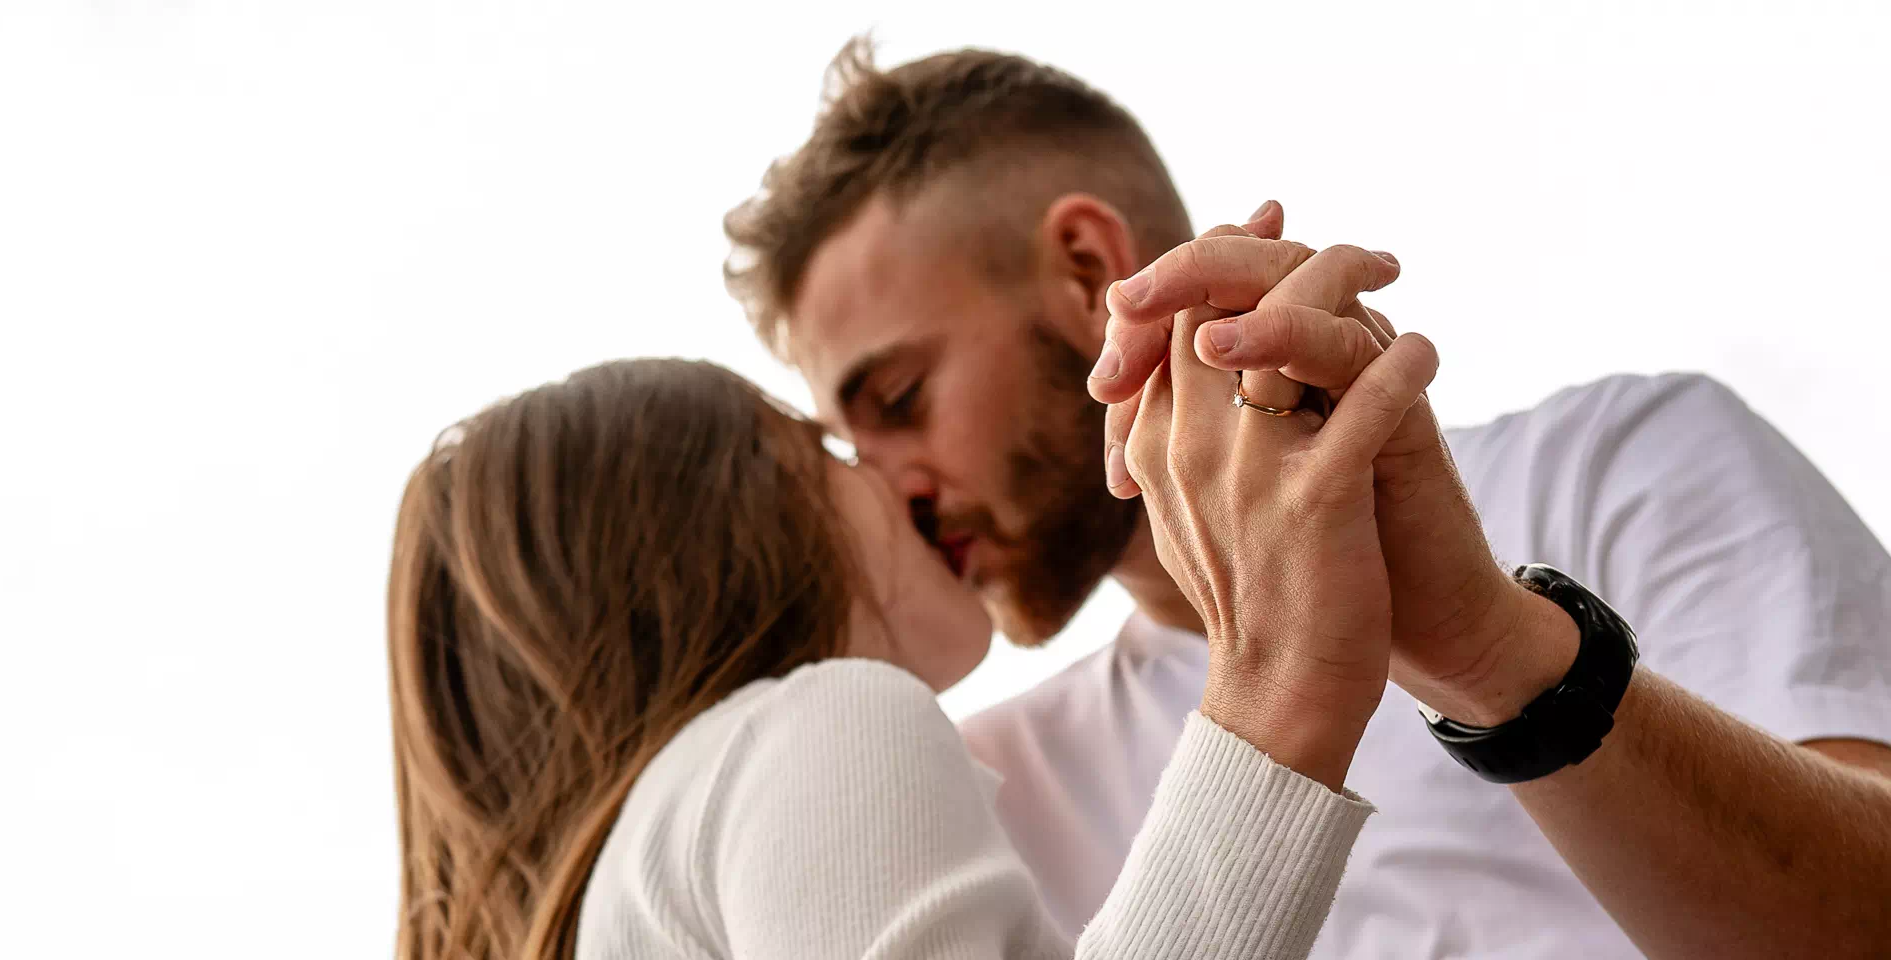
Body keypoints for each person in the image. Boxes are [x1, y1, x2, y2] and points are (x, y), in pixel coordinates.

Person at [721, 39, 1891, 957]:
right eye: (851, 444)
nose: (891, 488)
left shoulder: (1619, 461)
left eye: (901, 398)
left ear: (1086, 272)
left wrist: (1490, 649)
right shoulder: (977, 791)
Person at [383, 356, 1438, 959]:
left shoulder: (645, 864)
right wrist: (1284, 678)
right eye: (826, 448)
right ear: (737, 517)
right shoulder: (815, 726)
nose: (902, 481)